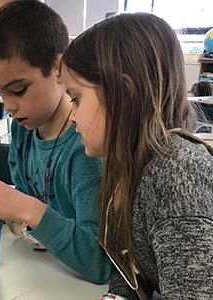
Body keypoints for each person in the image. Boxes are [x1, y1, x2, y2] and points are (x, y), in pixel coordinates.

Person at [0, 0, 111, 284]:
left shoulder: (87, 147)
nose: (9, 106)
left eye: (19, 90)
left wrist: (27, 209)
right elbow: (25, 211)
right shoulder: (24, 128)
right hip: (36, 273)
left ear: (58, 68)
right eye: (0, 94)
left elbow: (100, 264)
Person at [61, 12, 213, 299]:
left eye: (76, 99)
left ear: (123, 92)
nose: (71, 117)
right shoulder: (125, 165)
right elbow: (130, 271)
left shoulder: (177, 173)